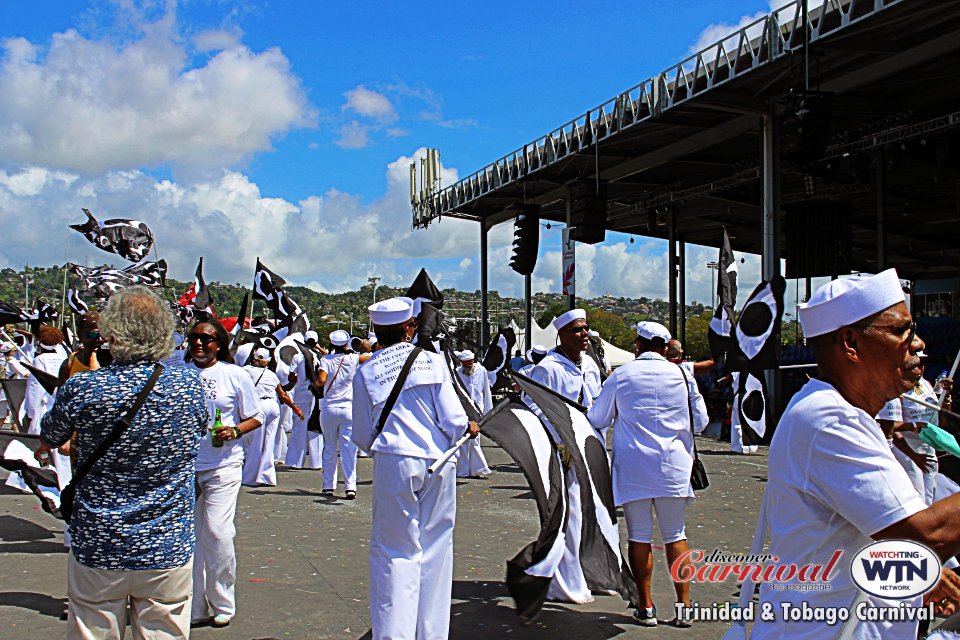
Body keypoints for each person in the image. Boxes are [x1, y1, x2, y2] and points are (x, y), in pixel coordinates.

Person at [749, 269, 960, 639]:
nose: (918, 343)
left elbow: (857, 533)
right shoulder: (832, 420)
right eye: (900, 331)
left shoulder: (839, 412)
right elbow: (926, 535)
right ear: (850, 343)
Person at [37, 286, 207, 640]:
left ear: (110, 334)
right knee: (165, 630)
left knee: (93, 627)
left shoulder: (83, 388)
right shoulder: (188, 385)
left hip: (100, 538)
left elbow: (51, 434)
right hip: (167, 539)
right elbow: (200, 428)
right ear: (164, 335)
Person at [352, 297, 478, 640]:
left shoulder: (366, 370)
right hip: (438, 460)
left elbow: (362, 434)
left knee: (394, 550)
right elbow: (453, 420)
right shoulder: (433, 362)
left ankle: (394, 634)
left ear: (378, 330)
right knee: (436, 547)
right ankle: (431, 634)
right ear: (409, 327)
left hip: (394, 459)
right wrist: (466, 429)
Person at [588, 321, 703, 627]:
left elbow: (598, 418)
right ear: (665, 348)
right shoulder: (682, 374)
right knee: (676, 534)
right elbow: (701, 421)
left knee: (639, 535)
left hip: (634, 465)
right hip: (674, 465)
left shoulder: (622, 375)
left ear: (637, 344)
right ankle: (684, 607)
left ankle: (646, 606)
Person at [185, 320, 264, 627]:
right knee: (188, 539)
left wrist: (233, 430)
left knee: (217, 532)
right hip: (185, 467)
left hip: (223, 464)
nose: (199, 344)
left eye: (206, 339)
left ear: (219, 343)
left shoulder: (235, 374)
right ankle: (194, 606)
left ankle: (222, 601)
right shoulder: (177, 373)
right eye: (194, 338)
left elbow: (256, 416)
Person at [526, 309, 602, 604]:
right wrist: (558, 436)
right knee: (569, 517)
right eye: (577, 330)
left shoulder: (590, 365)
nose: (584, 335)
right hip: (564, 451)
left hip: (590, 448)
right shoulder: (549, 367)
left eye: (585, 329)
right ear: (562, 335)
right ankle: (566, 582)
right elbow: (533, 406)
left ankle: (590, 572)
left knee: (592, 513)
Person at [242, 348, 303, 486]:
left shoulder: (246, 370)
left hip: (259, 407)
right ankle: (266, 476)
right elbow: (282, 395)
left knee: (256, 443)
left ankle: (251, 477)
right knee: (269, 442)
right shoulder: (271, 374)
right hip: (273, 406)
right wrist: (295, 409)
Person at [317, 329, 361, 498]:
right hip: (348, 408)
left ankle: (328, 485)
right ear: (346, 344)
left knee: (329, 447)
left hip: (329, 407)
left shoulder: (325, 360)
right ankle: (350, 487)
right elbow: (371, 357)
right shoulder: (352, 359)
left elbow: (321, 380)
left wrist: (315, 383)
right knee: (349, 449)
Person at [285, 330, 323, 470]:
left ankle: (296, 461)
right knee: (314, 428)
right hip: (314, 394)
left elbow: (292, 376)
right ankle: (316, 462)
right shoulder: (318, 356)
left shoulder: (298, 356)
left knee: (299, 428)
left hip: (301, 394)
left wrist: (293, 383)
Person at [455, 350, 493, 479]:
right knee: (463, 440)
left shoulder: (481, 371)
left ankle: (479, 469)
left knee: (475, 439)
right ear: (461, 363)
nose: (468, 367)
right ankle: (463, 470)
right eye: (466, 365)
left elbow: (486, 391)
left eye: (470, 364)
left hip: (478, 410)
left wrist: (488, 411)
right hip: (462, 409)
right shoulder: (457, 372)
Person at [22, 325, 66, 434]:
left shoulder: (39, 359)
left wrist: (31, 411)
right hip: (60, 406)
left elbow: (36, 386)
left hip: (44, 406)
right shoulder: (64, 358)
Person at [58, 311, 109, 385]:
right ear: (80, 334)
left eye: (104, 334)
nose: (101, 339)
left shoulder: (116, 361)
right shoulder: (69, 364)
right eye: (94, 334)